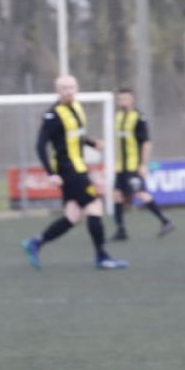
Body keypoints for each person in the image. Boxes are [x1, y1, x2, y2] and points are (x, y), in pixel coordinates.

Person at [22, 75, 128, 271]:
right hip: (68, 170)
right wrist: (50, 173)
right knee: (95, 206)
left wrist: (91, 143)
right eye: (64, 88)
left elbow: (75, 135)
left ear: (77, 88)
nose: (69, 91)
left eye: (71, 87)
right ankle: (102, 256)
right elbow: (40, 145)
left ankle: (36, 242)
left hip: (78, 167)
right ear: (57, 91)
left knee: (73, 216)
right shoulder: (52, 115)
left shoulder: (77, 108)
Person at [111, 88, 174, 240]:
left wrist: (143, 164)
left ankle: (165, 221)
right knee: (117, 195)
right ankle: (121, 230)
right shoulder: (118, 117)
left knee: (141, 193)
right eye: (120, 99)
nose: (123, 101)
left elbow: (146, 143)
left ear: (132, 100)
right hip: (121, 167)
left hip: (133, 166)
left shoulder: (139, 118)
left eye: (126, 98)